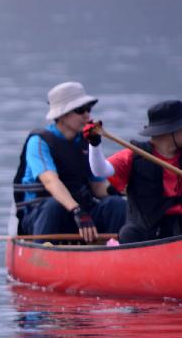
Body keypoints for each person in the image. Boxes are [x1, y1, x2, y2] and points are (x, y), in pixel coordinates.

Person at [13, 81, 126, 242]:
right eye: (80, 110)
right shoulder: (39, 142)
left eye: (89, 109)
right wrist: (77, 211)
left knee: (116, 205)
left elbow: (98, 186)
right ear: (62, 114)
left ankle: (115, 250)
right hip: (41, 215)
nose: (87, 116)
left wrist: (121, 190)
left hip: (80, 214)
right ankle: (44, 255)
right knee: (54, 206)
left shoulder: (86, 141)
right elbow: (51, 181)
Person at [87, 100, 182, 243]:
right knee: (129, 233)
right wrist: (94, 144)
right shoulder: (133, 156)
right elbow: (100, 170)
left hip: (178, 229)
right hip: (145, 232)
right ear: (170, 132)